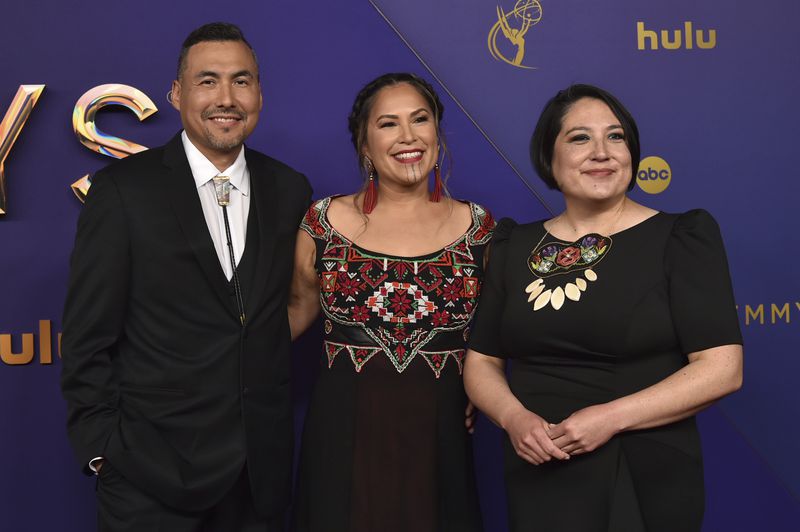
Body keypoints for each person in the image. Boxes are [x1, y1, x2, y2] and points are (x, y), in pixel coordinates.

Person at [60, 22, 311, 532]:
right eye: (207, 81)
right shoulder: (124, 192)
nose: (226, 97)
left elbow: (277, 311)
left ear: (259, 92)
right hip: (150, 482)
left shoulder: (289, 189)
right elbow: (87, 340)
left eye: (242, 81)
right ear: (176, 94)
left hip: (257, 483)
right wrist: (102, 453)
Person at [464, 84, 743, 532]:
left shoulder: (681, 238)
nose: (602, 152)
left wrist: (608, 419)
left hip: (643, 468)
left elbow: (722, 368)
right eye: (579, 138)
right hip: (539, 469)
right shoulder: (514, 244)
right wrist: (513, 418)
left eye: (615, 137)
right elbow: (482, 361)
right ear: (548, 158)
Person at [288, 72, 489, 532]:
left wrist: (487, 385)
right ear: (364, 144)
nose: (408, 137)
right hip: (343, 435)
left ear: (437, 134)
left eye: (420, 119)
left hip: (438, 439)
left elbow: (494, 337)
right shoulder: (322, 223)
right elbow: (294, 313)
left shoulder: (479, 229)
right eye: (388, 124)